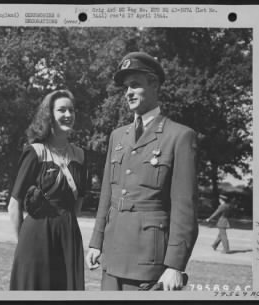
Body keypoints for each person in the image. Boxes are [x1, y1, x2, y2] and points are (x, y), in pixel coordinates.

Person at [85, 52, 199, 291]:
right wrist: (96, 242)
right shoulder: (118, 136)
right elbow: (107, 193)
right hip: (112, 255)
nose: (128, 92)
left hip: (148, 260)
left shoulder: (179, 136)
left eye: (135, 85)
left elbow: (184, 207)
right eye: (126, 87)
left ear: (154, 84)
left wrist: (175, 265)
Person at [7, 89, 86, 290]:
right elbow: (14, 205)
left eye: (71, 110)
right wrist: (25, 244)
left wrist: (65, 226)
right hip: (36, 237)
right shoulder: (35, 152)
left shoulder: (80, 155)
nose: (68, 115)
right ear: (49, 115)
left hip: (68, 238)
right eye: (62, 110)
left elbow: (78, 203)